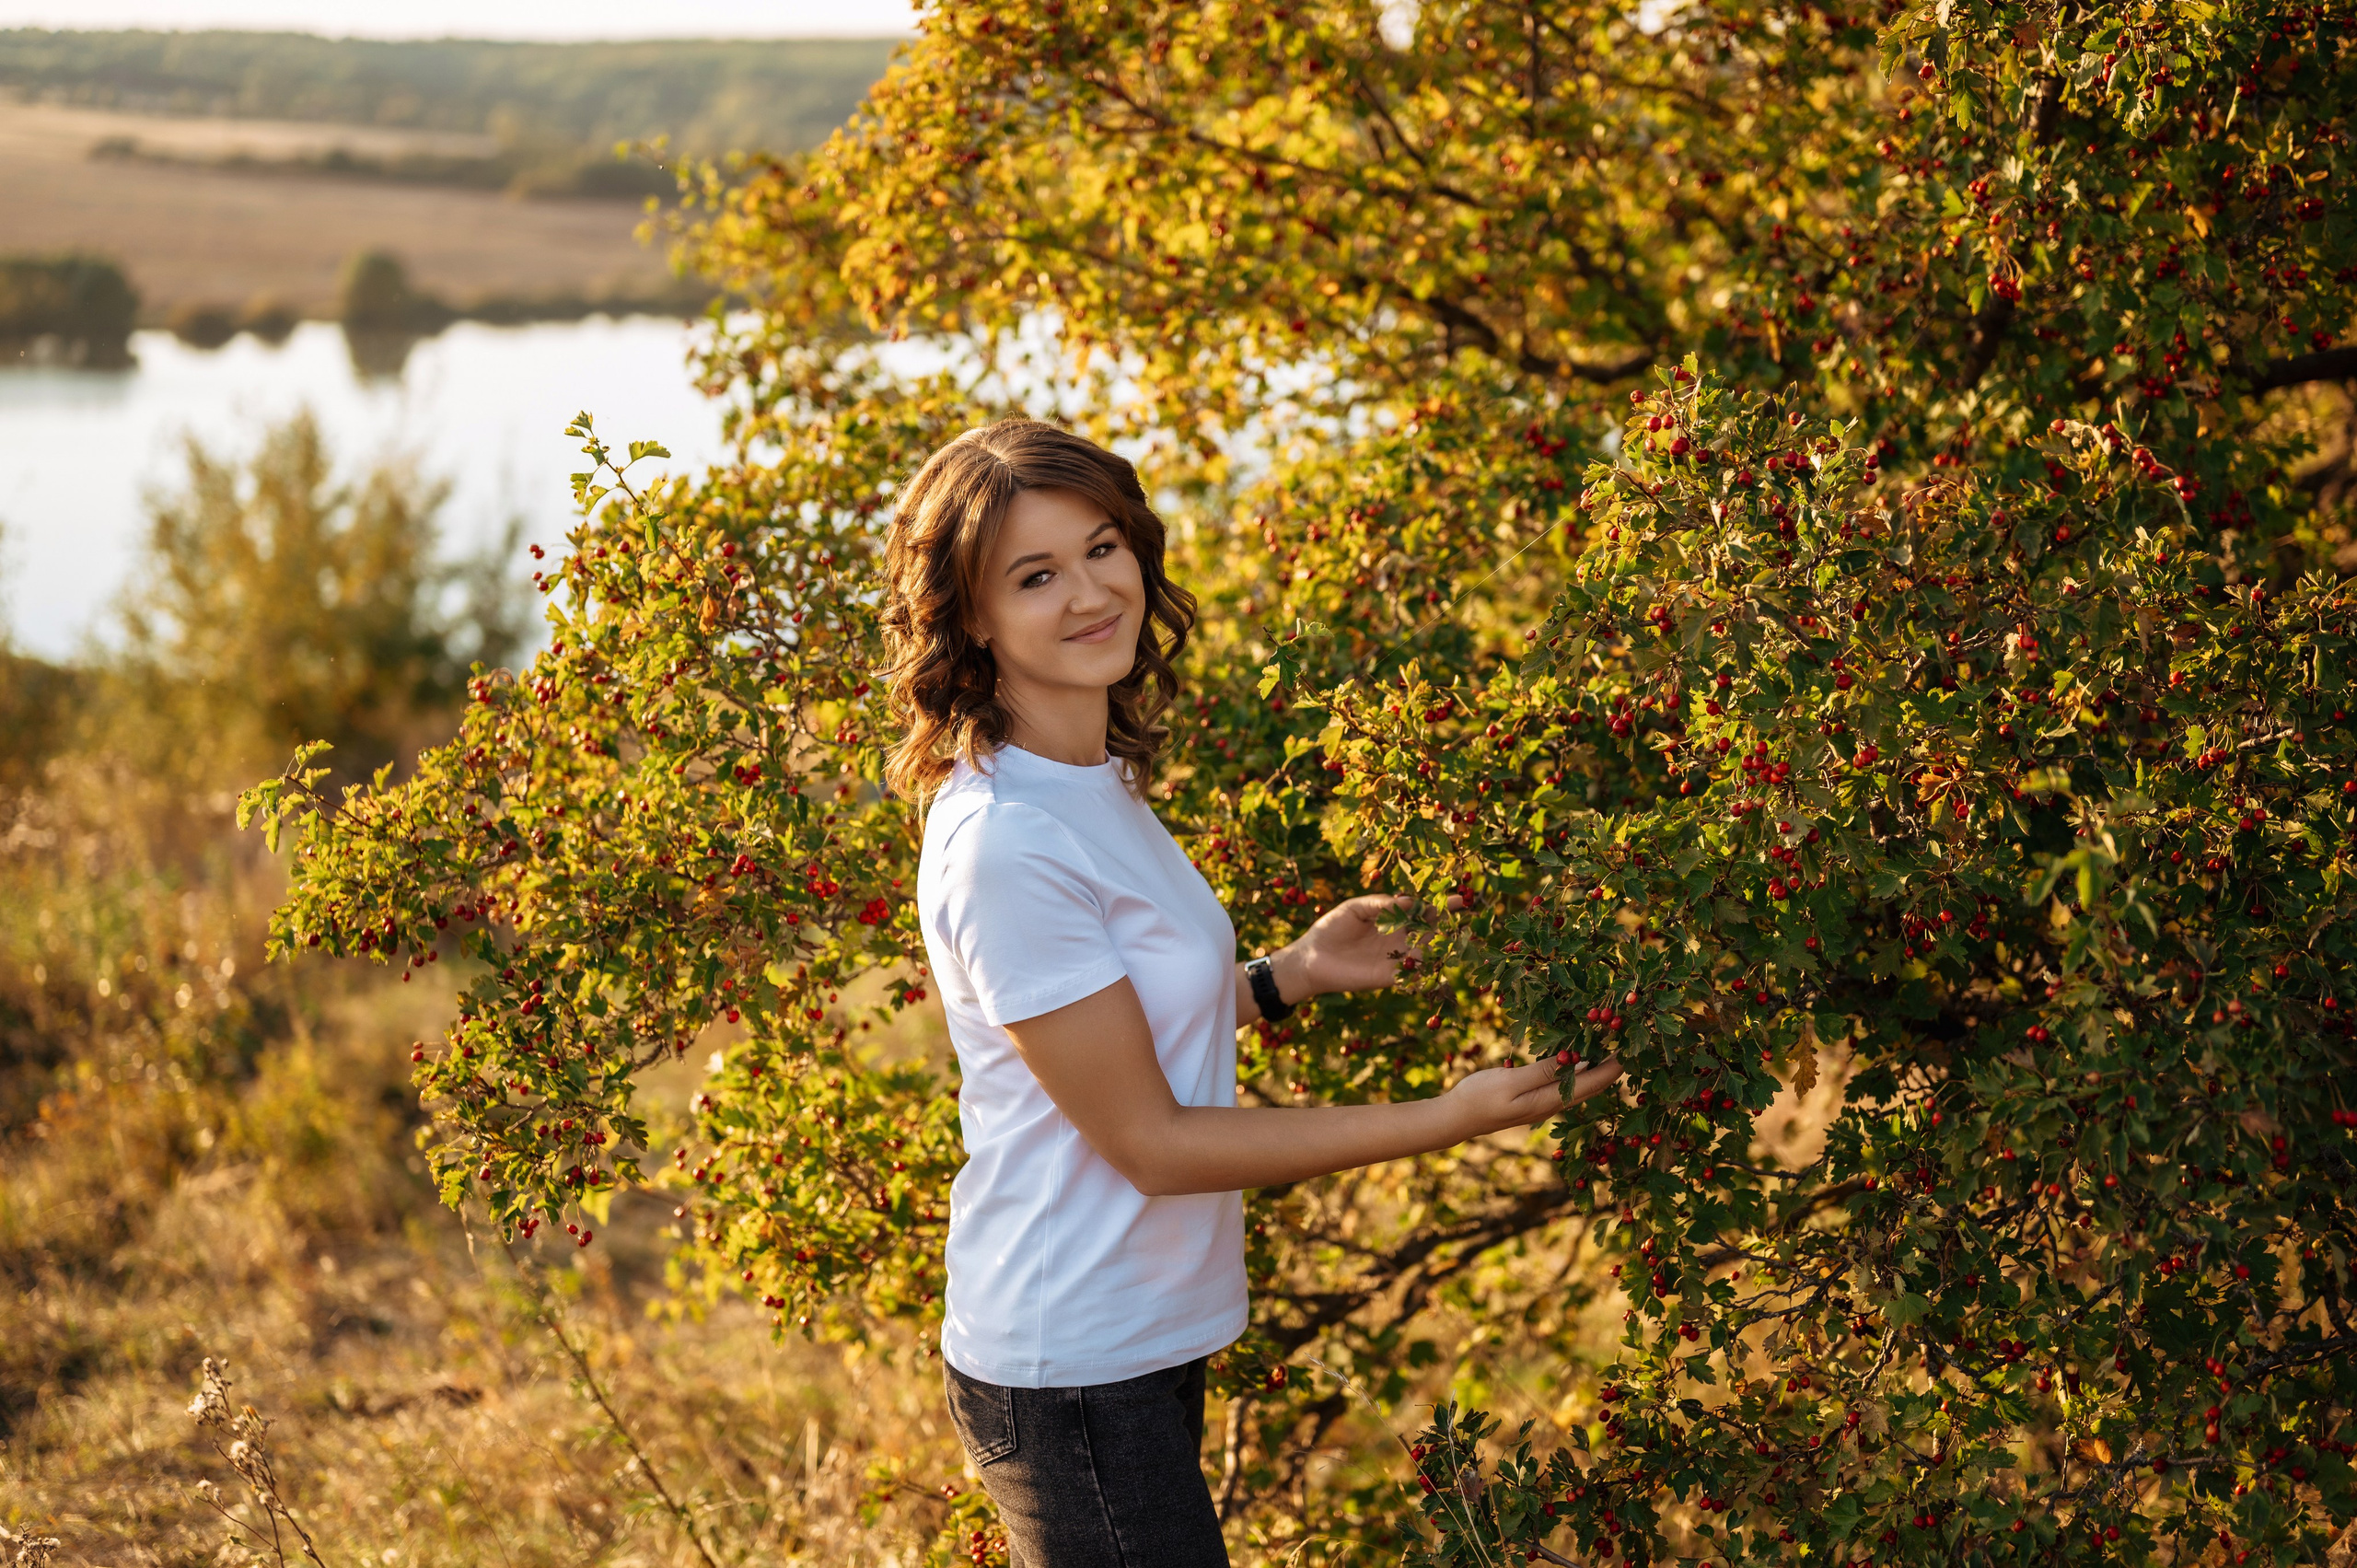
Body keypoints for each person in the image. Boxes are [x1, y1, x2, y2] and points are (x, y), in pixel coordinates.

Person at [878, 418, 1624, 1568]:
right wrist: (1452, 1116)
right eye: (1034, 576)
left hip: (1139, 1335)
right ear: (972, 617)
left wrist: (1292, 975)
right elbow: (1152, 1141)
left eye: (1100, 549)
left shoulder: (1092, 777)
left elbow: (1125, 1020)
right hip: (1072, 1360)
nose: (1089, 593)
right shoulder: (1005, 840)